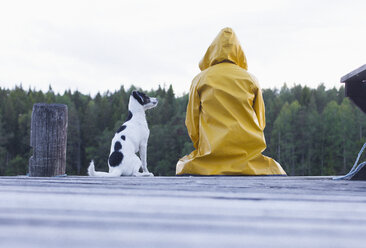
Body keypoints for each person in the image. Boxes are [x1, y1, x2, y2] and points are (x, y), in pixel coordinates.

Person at [176, 27, 286, 176]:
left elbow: (192, 125)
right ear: (238, 51)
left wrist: (203, 147)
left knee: (183, 166)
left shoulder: (200, 79)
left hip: (209, 159)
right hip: (249, 161)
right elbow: (260, 122)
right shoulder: (251, 79)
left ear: (211, 50)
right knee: (275, 170)